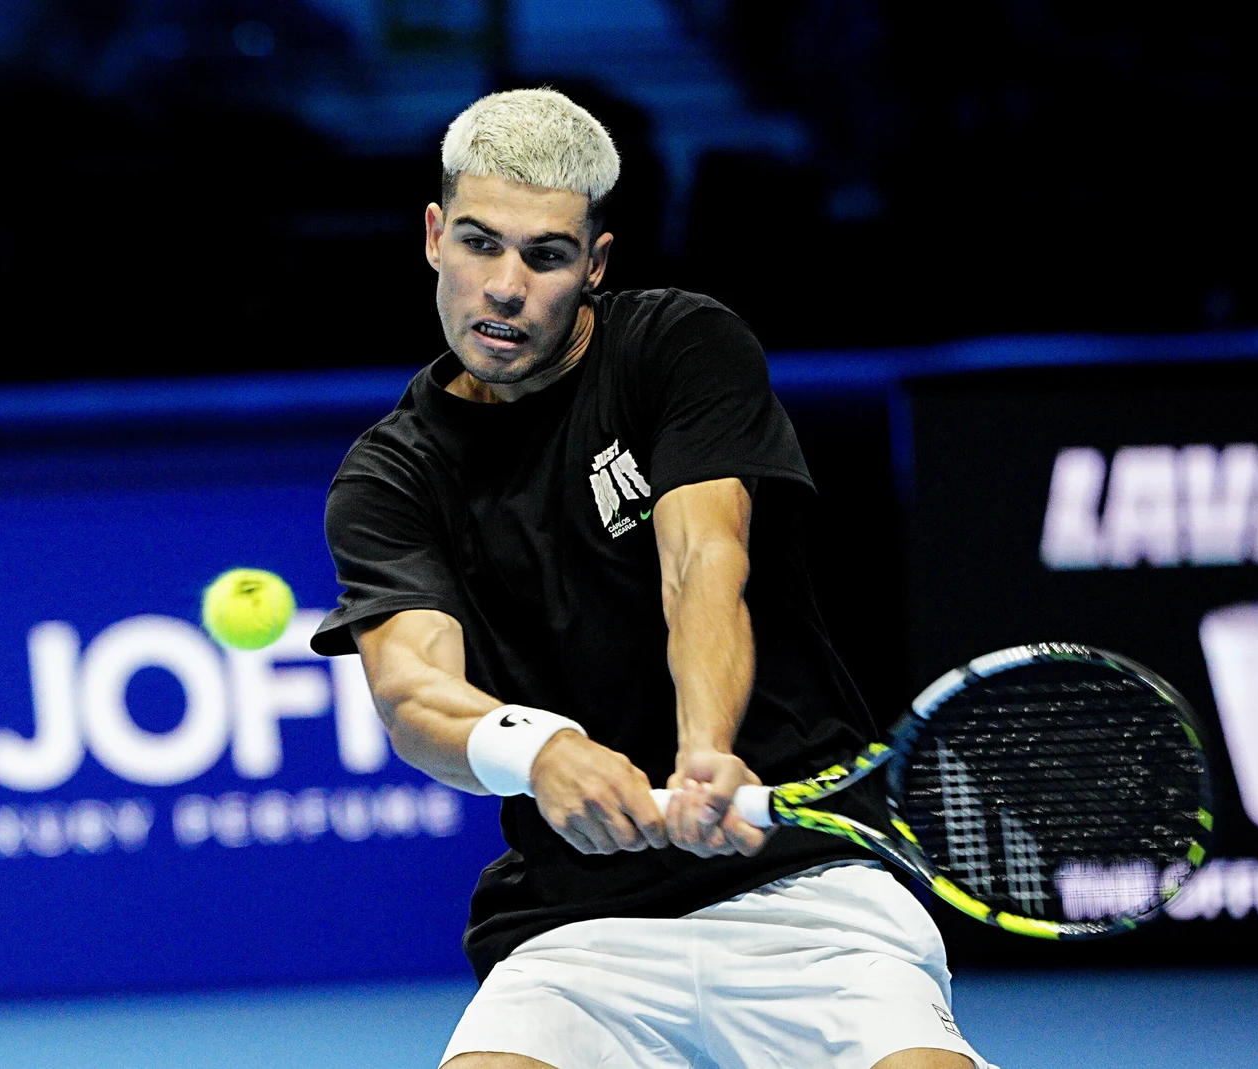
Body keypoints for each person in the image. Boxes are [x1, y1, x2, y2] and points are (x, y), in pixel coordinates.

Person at [308, 89, 994, 1069]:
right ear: (432, 235)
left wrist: (705, 746)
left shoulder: (676, 345)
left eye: (544, 255)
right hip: (577, 927)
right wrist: (537, 749)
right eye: (477, 243)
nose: (503, 286)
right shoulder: (391, 475)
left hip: (802, 881)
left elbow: (700, 558)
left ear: (593, 262)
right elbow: (416, 691)